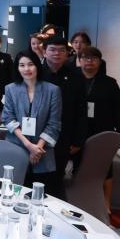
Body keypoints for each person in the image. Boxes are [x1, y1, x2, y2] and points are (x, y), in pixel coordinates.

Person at [2, 50, 62, 195]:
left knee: (38, 195)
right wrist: (29, 145)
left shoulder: (52, 90)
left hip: (42, 152)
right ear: (17, 68)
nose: (26, 69)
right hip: (16, 146)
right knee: (14, 193)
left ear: (37, 66)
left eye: (30, 64)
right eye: (22, 65)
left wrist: (37, 149)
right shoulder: (10, 89)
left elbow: (54, 123)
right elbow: (8, 118)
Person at [78, 46, 120, 212]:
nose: (89, 61)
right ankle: (82, 199)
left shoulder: (110, 83)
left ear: (100, 62)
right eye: (85, 57)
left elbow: (119, 110)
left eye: (94, 58)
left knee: (105, 166)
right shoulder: (73, 80)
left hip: (102, 129)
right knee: (80, 165)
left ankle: (106, 202)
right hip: (79, 129)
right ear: (79, 60)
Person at [42, 35, 88, 191]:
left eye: (61, 50)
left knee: (55, 179)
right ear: (44, 52)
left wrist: (78, 141)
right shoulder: (36, 73)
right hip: (37, 135)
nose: (57, 53)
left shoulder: (76, 76)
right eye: (52, 49)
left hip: (63, 136)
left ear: (67, 53)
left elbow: (81, 110)